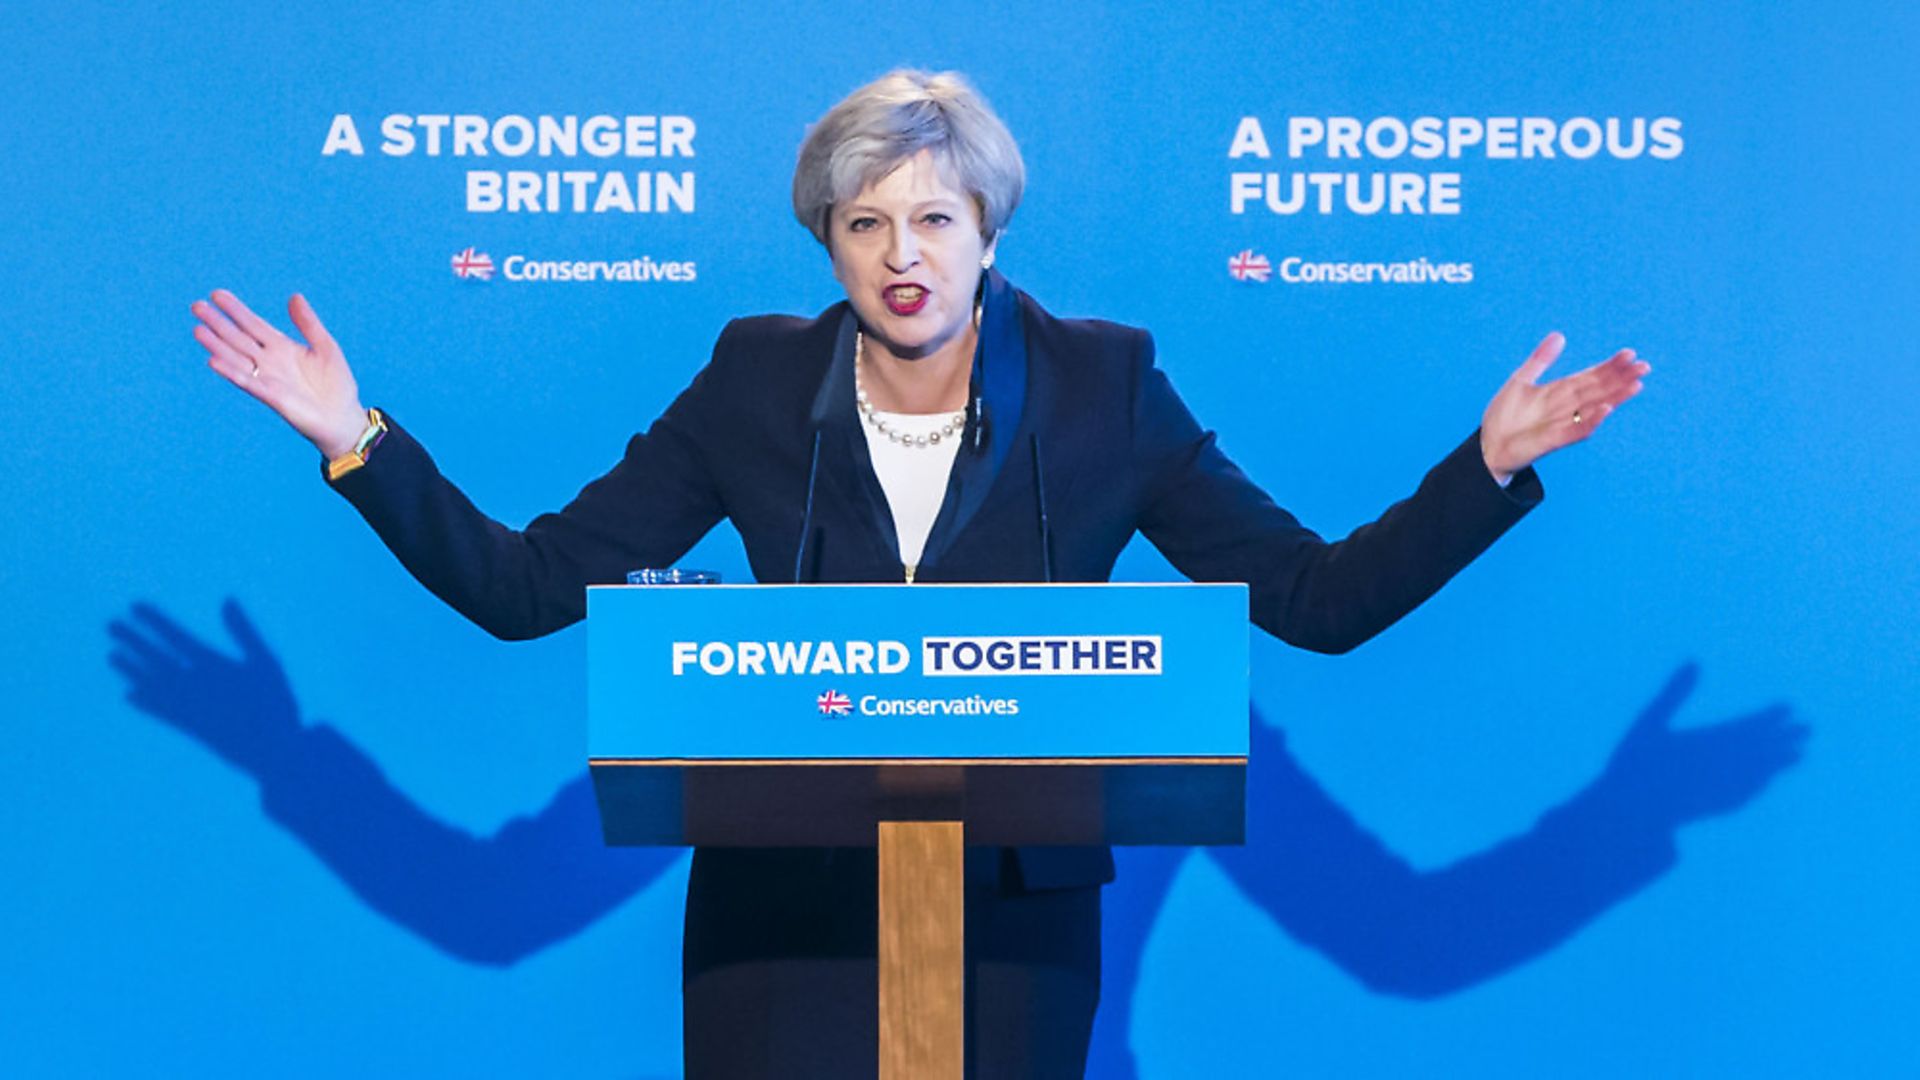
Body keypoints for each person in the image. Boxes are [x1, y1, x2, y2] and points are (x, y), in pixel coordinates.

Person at [190, 69, 1648, 1079]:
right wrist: (357, 440)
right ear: (827, 241)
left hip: (1004, 920)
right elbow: (528, 587)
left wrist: (1490, 467)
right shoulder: (752, 385)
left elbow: (1318, 603)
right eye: (864, 222)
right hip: (787, 911)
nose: (902, 255)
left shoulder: (1104, 387)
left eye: (934, 219)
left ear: (989, 231)